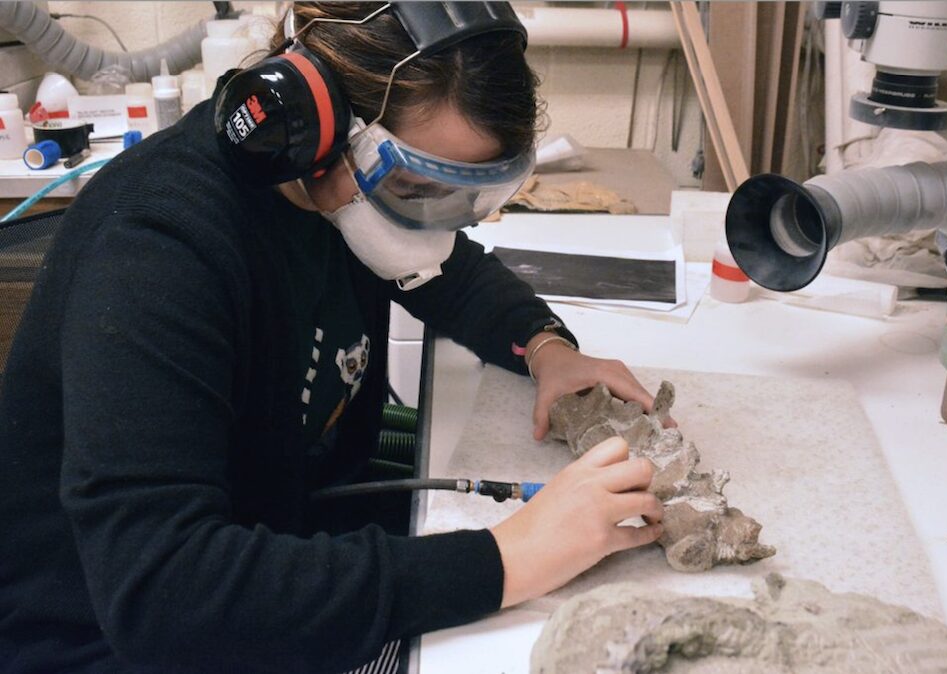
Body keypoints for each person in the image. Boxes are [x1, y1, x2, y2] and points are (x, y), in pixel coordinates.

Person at [0, 3, 665, 672]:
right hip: (115, 638)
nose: (437, 226)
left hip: (280, 551)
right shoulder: (157, 250)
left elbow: (447, 273)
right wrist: (511, 557)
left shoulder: (339, 196)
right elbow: (166, 594)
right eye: (415, 188)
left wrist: (546, 347)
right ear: (317, 127)